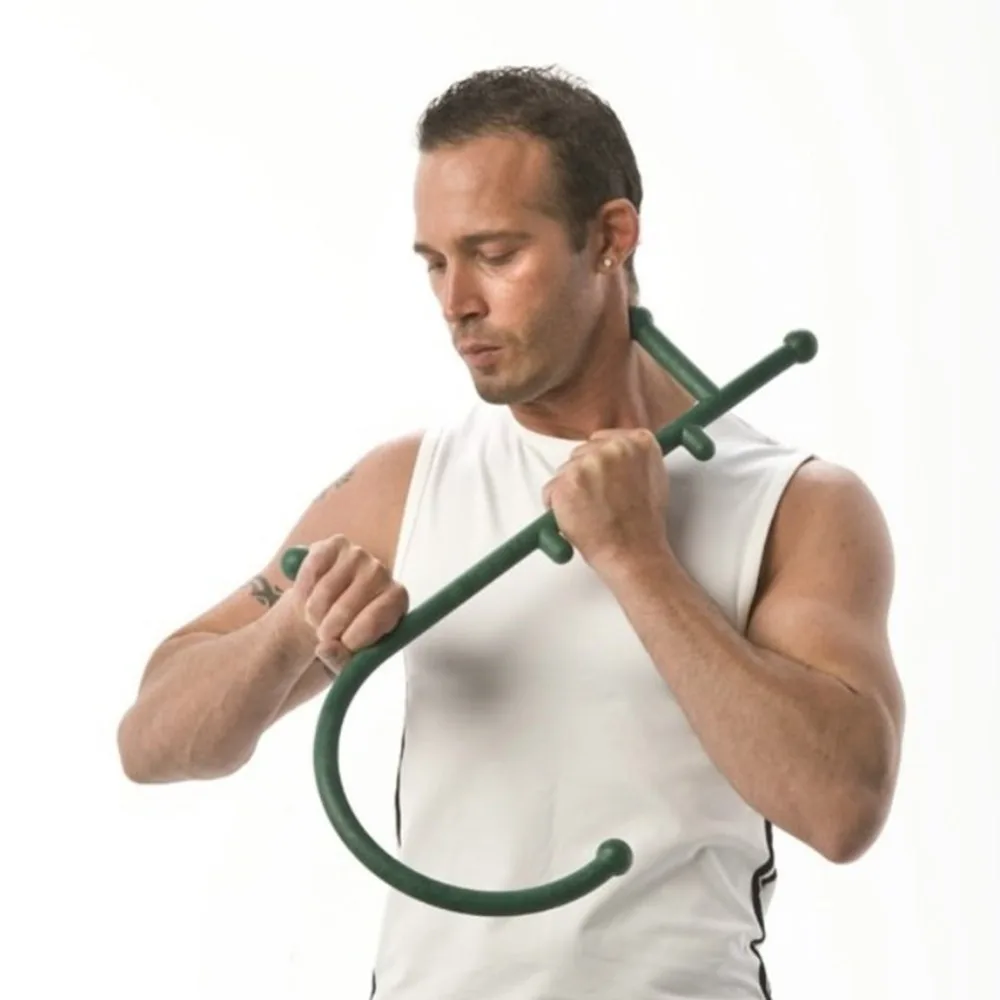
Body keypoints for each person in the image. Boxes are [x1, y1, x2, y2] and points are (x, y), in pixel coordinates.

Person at [117, 65, 905, 1000]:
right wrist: (290, 630)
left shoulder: (797, 503)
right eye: (434, 262)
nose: (457, 301)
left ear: (610, 238)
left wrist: (637, 558)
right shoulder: (406, 482)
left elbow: (842, 808)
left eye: (494, 254)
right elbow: (150, 743)